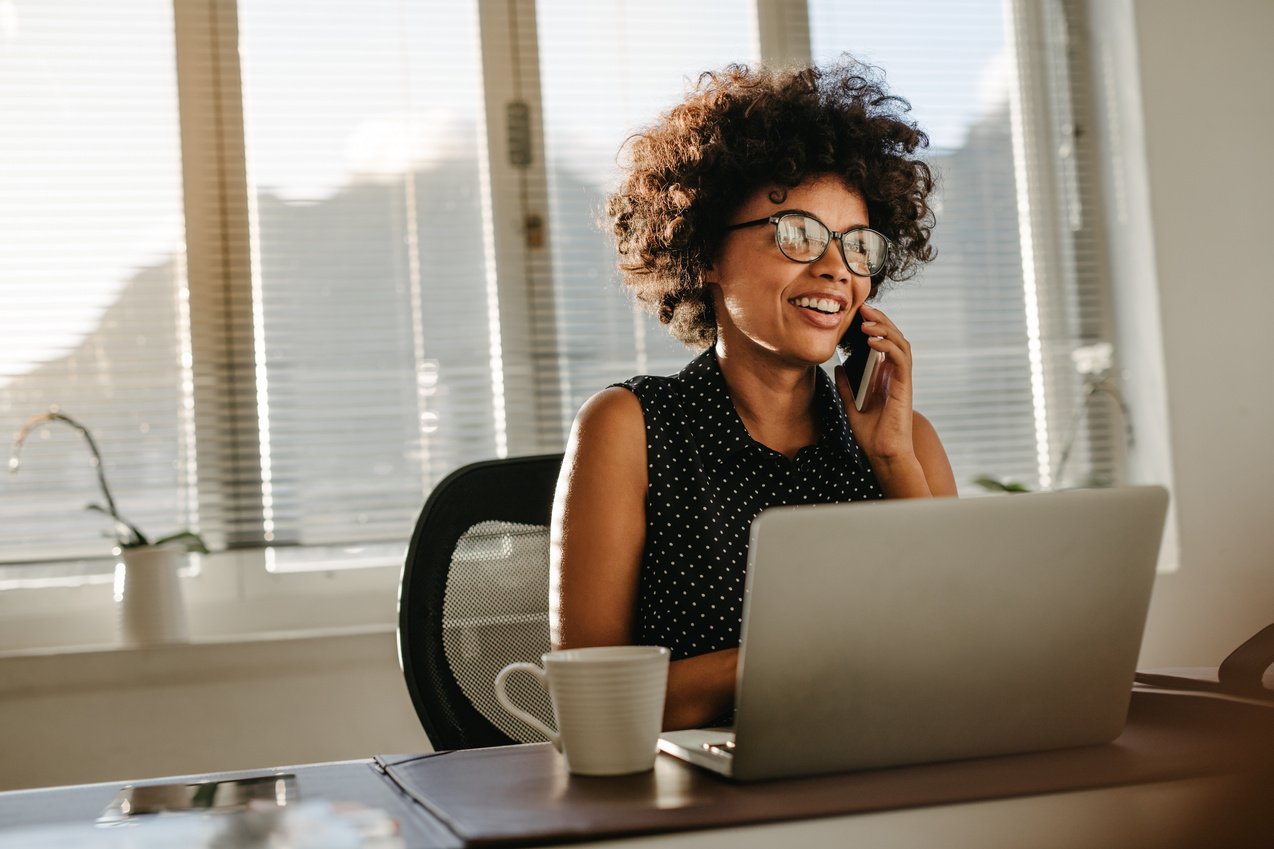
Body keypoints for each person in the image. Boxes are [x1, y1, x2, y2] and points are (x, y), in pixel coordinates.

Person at [549, 59, 958, 731]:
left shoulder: (906, 443)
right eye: (798, 233)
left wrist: (894, 465)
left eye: (858, 245)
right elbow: (591, 705)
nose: (835, 267)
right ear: (705, 251)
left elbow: (964, 660)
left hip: (879, 778)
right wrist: (797, 655)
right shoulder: (629, 428)